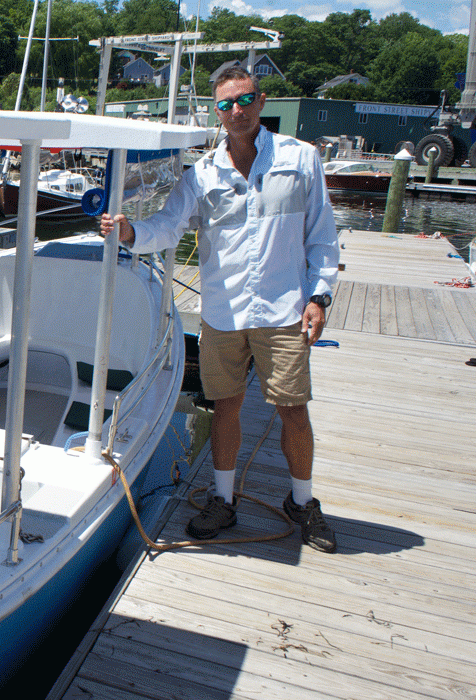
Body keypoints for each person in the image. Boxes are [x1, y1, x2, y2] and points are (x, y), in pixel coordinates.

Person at [100, 66, 340, 552]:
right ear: (217, 110)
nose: (237, 111)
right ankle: (223, 500)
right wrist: (130, 233)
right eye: (226, 104)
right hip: (223, 314)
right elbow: (168, 227)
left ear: (261, 100)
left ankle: (303, 502)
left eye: (245, 99)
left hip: (283, 311)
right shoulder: (202, 173)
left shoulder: (302, 159)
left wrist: (319, 296)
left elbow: (322, 237)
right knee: (225, 408)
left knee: (293, 410)